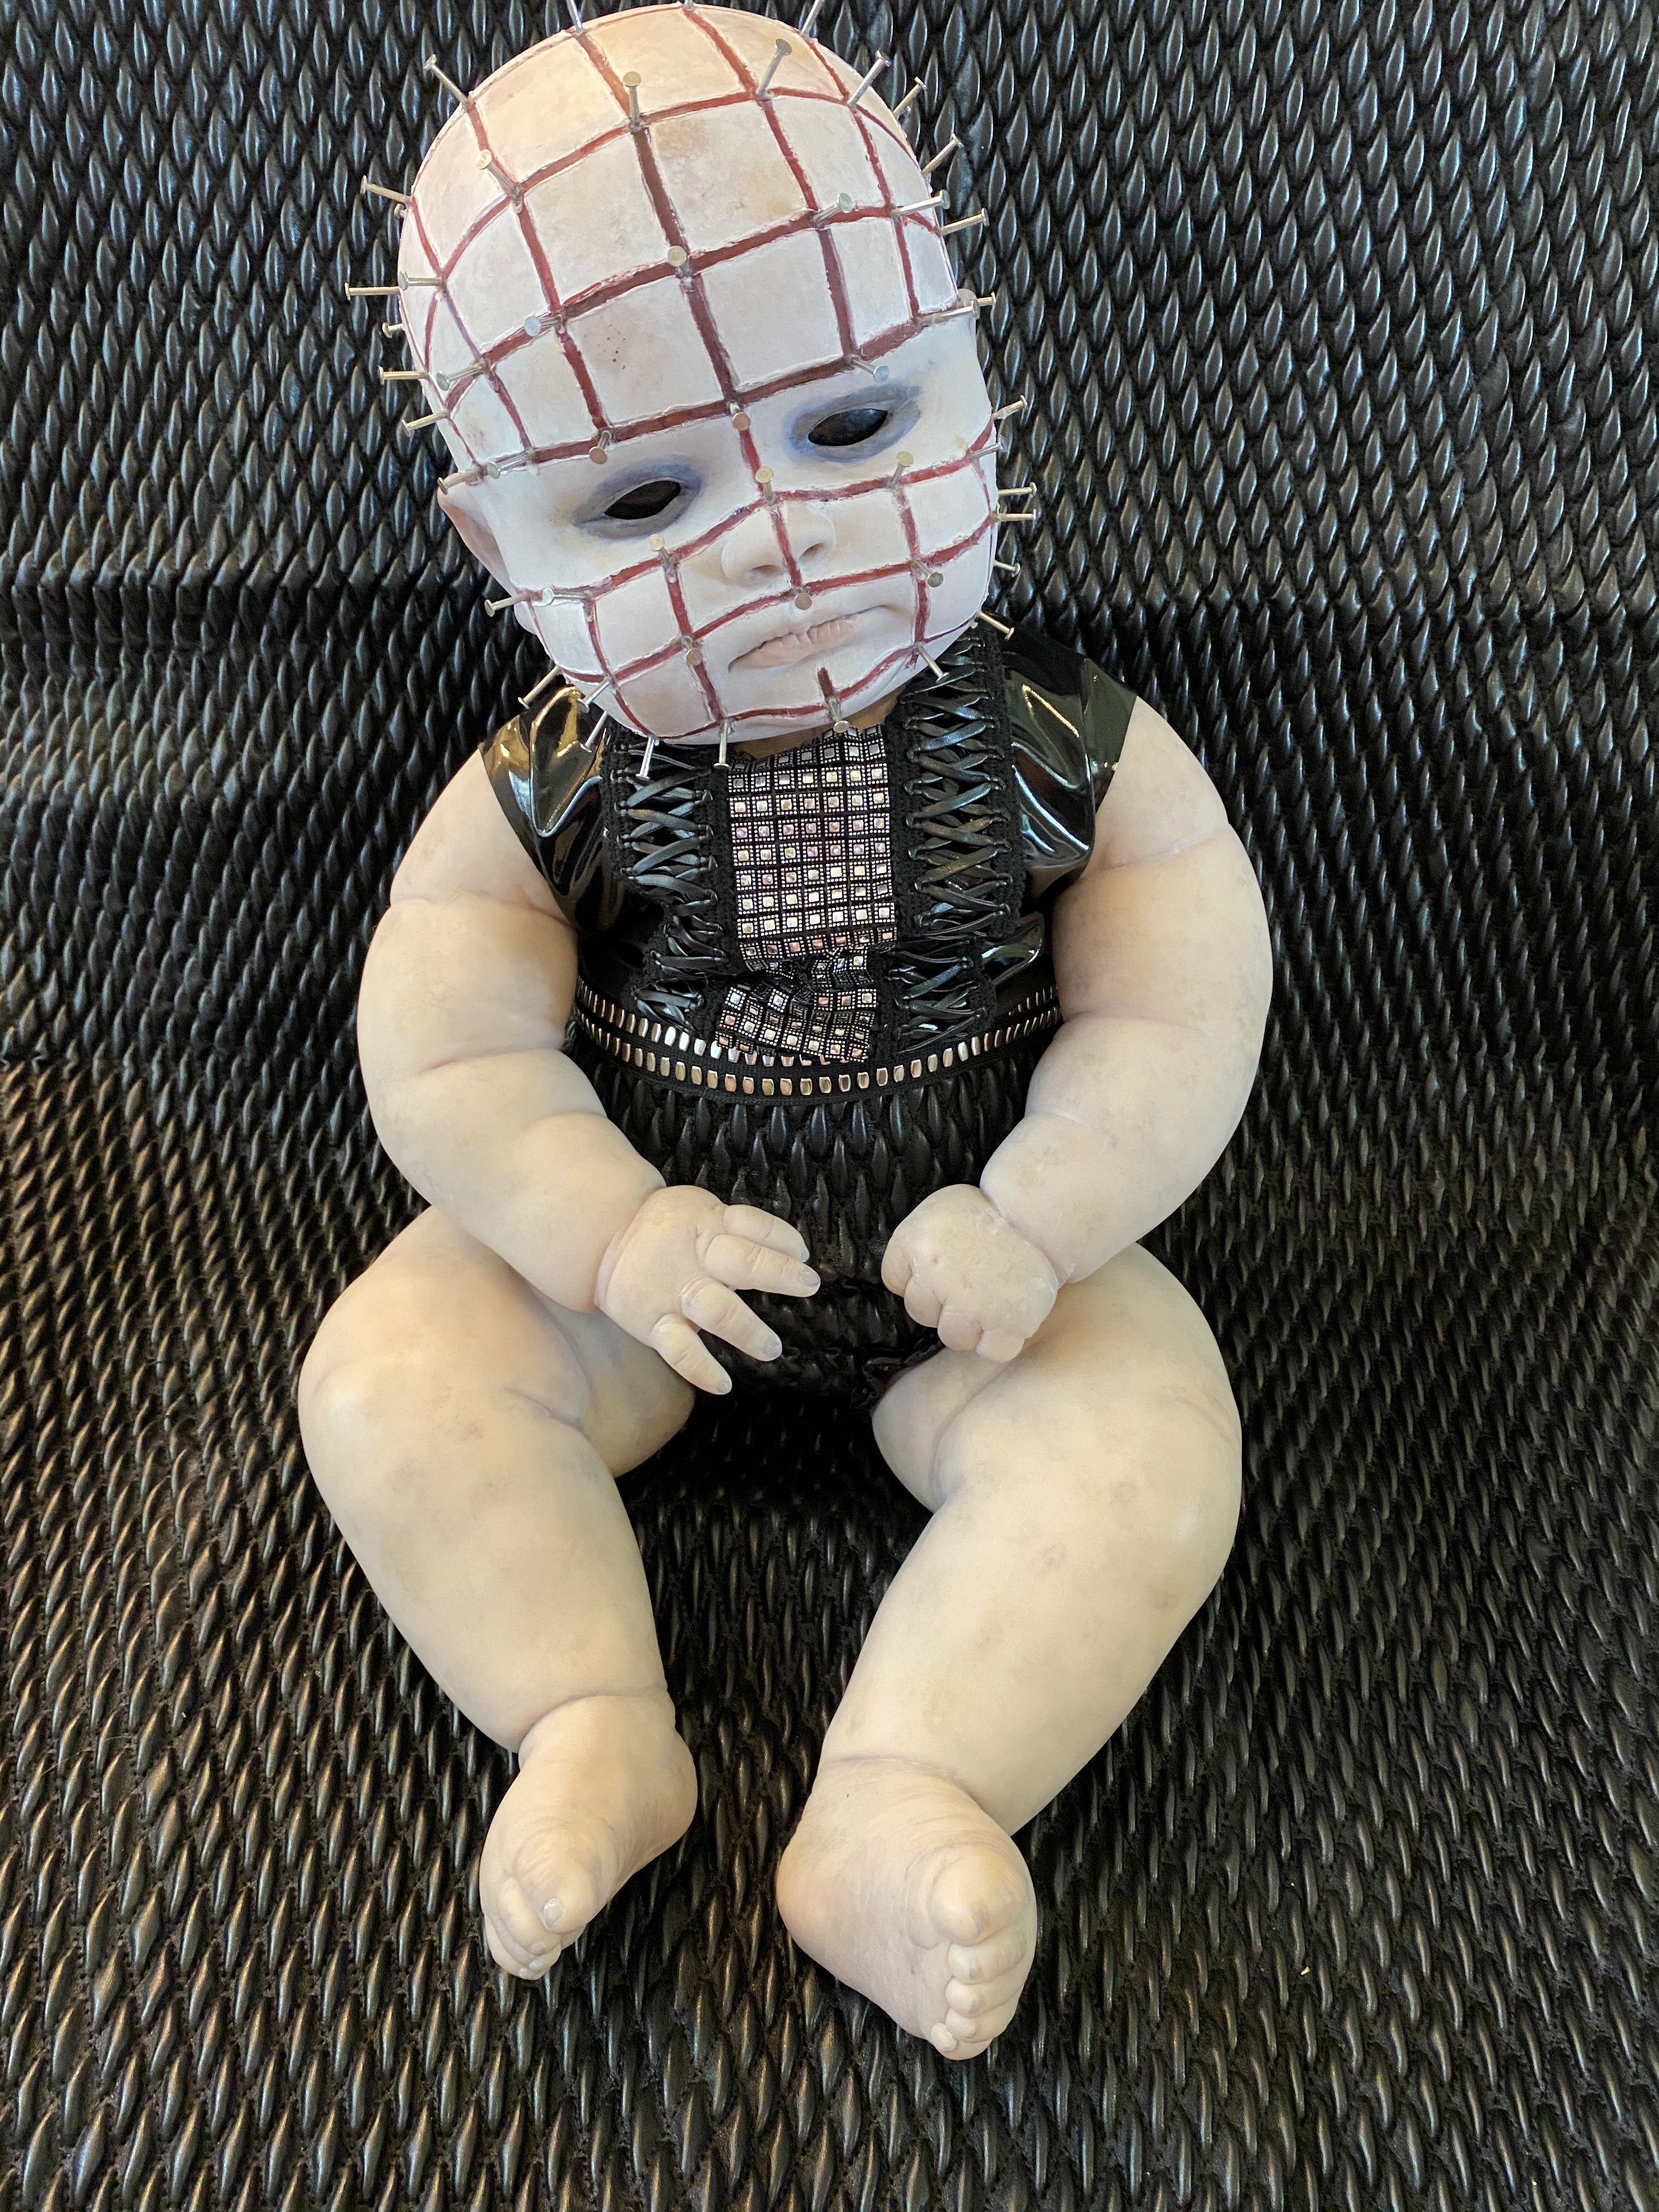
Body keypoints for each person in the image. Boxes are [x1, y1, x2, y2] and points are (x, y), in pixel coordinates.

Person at [300, 1, 1272, 2059]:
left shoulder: (1065, 743)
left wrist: (1046, 1208)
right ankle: (587, 1716)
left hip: (988, 1288)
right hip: (633, 1293)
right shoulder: (554, 783)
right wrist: (603, 1234)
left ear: (972, 365)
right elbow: (449, 1048)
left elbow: (1182, 998)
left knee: (1153, 1456)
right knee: (390, 1379)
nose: (775, 533)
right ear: (497, 546)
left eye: (851, 425)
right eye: (643, 494)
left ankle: (909, 1792)